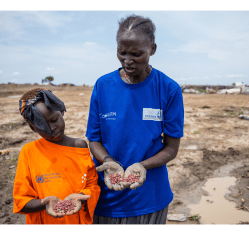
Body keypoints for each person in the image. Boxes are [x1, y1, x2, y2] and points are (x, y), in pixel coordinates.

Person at [86, 15, 184, 225]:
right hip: (107, 196)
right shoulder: (103, 86)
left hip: (149, 198)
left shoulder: (168, 89)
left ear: (153, 49)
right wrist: (109, 162)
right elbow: (94, 140)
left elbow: (171, 148)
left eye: (136, 54)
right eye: (122, 53)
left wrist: (142, 166)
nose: (127, 60)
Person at [13, 88, 101, 225]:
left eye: (53, 120)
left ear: (61, 111)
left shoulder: (79, 146)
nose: (51, 128)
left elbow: (92, 185)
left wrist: (81, 197)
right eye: (42, 126)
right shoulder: (29, 152)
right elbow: (21, 200)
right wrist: (45, 202)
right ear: (32, 128)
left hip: (76, 222)